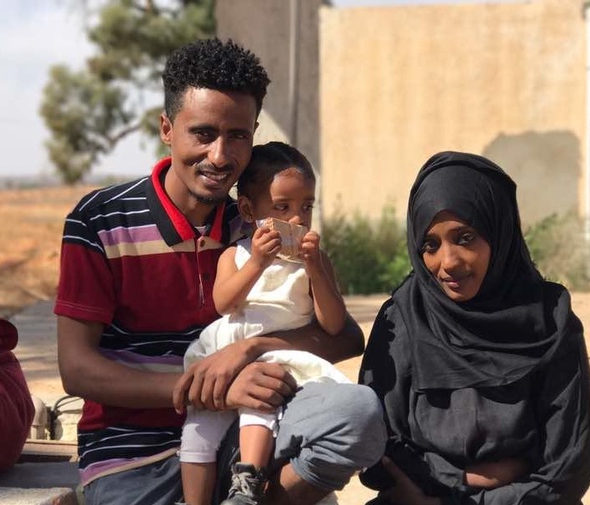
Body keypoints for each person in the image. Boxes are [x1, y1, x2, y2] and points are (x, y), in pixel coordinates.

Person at [54, 38, 385, 505]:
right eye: (204, 133)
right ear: (167, 128)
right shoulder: (101, 220)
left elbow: (346, 337)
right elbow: (78, 370)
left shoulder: (257, 222)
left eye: (239, 135)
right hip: (132, 454)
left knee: (357, 413)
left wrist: (254, 347)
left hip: (252, 436)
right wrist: (212, 388)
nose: (220, 155)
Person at [358, 151, 590, 505]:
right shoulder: (402, 319)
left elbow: (572, 463)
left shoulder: (549, 319)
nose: (448, 263)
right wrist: (461, 479)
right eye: (430, 245)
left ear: (498, 231)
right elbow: (378, 449)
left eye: (465, 238)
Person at [179, 142, 353, 505]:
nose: (297, 220)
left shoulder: (315, 263)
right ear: (248, 210)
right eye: (282, 208)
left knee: (259, 409)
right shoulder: (235, 255)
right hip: (228, 354)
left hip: (279, 358)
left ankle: (247, 487)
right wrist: (256, 263)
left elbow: (335, 325)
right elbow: (224, 302)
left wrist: (316, 270)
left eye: (306, 207)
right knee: (198, 427)